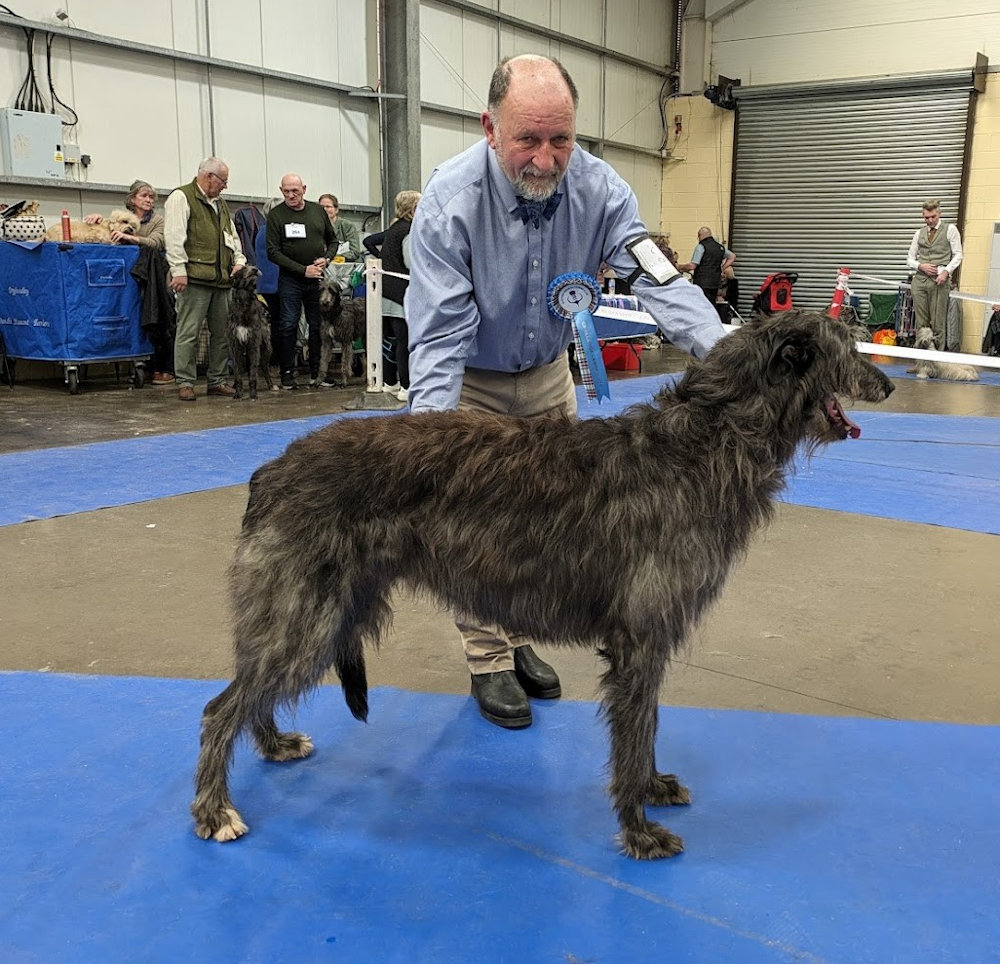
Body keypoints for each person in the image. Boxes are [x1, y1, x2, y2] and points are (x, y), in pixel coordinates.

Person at [406, 53, 727, 729]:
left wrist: (726, 351)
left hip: (552, 376)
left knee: (546, 528)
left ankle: (520, 639)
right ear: (489, 127)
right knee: (478, 531)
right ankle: (488, 658)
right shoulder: (448, 202)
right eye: (528, 139)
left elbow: (657, 280)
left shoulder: (604, 191)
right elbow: (438, 338)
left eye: (562, 139)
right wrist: (424, 445)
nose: (547, 160)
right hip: (472, 383)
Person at [164, 157, 244, 402]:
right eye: (223, 181)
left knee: (221, 334)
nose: (225, 186)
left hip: (221, 280)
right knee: (189, 332)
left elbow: (231, 235)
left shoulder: (221, 204)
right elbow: (174, 235)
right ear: (209, 176)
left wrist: (239, 259)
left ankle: (217, 380)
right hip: (194, 279)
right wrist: (178, 269)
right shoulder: (181, 197)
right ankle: (185, 382)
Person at [86, 179, 173, 384]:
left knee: (161, 312)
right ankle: (144, 365)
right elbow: (106, 233)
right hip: (129, 279)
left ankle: (166, 368)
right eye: (144, 195)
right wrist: (97, 220)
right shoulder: (119, 217)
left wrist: (132, 239)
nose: (149, 200)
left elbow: (157, 242)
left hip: (156, 276)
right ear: (132, 198)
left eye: (152, 197)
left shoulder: (158, 221)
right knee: (135, 317)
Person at [266, 173, 336, 389]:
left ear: (304, 189)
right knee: (288, 324)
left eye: (295, 191)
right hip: (291, 279)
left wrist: (327, 258)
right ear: (281, 191)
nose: (290, 195)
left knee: (317, 325)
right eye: (286, 191)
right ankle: (287, 373)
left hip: (317, 278)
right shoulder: (276, 215)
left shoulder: (317, 211)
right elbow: (272, 252)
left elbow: (333, 240)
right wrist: (302, 270)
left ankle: (318, 373)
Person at [362, 190, 421, 402]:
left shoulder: (393, 228)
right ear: (413, 209)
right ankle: (406, 386)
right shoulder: (409, 230)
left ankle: (389, 382)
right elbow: (411, 262)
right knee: (404, 341)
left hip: (385, 292)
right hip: (400, 294)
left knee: (389, 340)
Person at [906, 199, 962, 351]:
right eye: (926, 218)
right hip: (919, 281)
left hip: (939, 282)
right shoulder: (919, 233)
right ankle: (921, 362)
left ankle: (937, 363)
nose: (930, 220)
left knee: (938, 324)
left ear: (939, 214)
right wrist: (920, 265)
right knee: (921, 324)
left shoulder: (950, 229)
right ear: (923, 216)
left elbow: (958, 255)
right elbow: (909, 258)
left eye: (933, 217)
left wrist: (946, 272)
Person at [678, 227, 735, 304]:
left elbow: (692, 266)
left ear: (700, 235)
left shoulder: (701, 246)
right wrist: (722, 268)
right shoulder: (720, 247)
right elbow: (732, 256)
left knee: (701, 304)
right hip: (715, 282)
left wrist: (679, 267)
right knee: (711, 304)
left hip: (702, 282)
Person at [318, 193, 364, 262]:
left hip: (346, 265)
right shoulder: (315, 225)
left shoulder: (348, 226)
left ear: (336, 210)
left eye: (328, 207)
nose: (325, 209)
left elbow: (355, 251)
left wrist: (332, 257)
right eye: (322, 207)